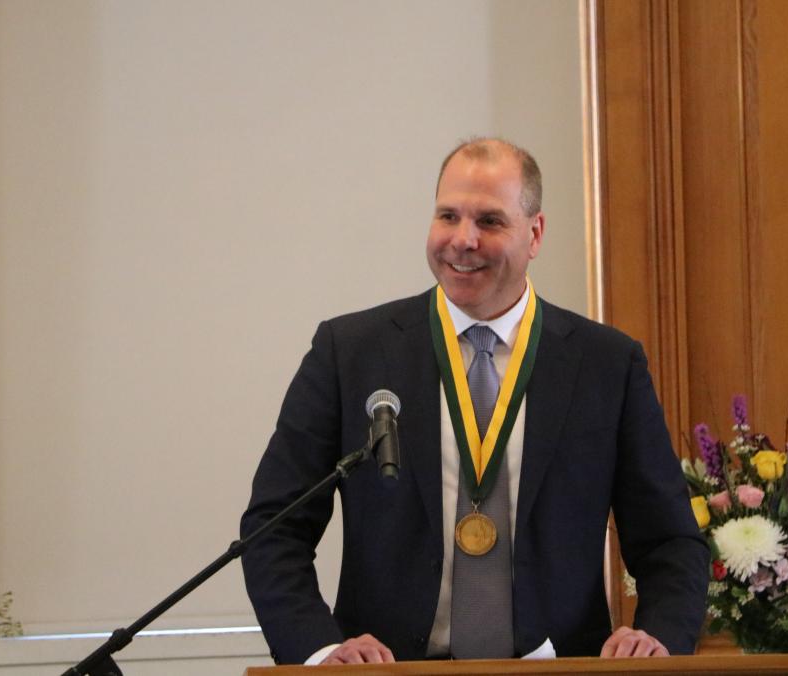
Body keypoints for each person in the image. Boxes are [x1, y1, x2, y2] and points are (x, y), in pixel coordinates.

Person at [240, 138, 708, 665]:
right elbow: (274, 527)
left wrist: (658, 637)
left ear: (535, 234)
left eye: (489, 221)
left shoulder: (606, 365)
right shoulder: (350, 353)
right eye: (448, 216)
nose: (463, 240)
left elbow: (671, 542)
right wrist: (320, 651)